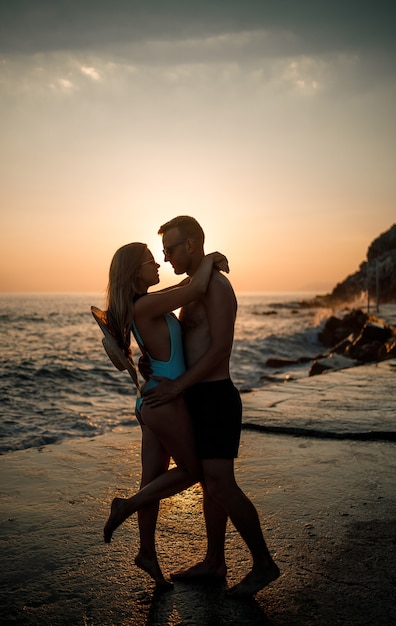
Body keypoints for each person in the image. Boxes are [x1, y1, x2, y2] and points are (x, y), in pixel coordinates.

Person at [143, 216, 280, 596]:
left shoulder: (217, 286)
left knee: (221, 482)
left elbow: (220, 349)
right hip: (196, 397)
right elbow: (175, 335)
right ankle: (215, 561)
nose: (165, 256)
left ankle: (264, 564)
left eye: (170, 248)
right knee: (208, 484)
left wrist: (177, 388)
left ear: (190, 244)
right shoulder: (192, 285)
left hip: (217, 397)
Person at [102, 241, 228, 587]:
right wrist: (212, 259)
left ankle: (147, 555)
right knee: (192, 471)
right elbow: (197, 286)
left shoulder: (141, 304)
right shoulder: (144, 305)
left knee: (154, 479)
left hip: (152, 399)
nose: (158, 264)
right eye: (149, 261)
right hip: (166, 401)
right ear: (134, 272)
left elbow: (184, 287)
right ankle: (125, 506)